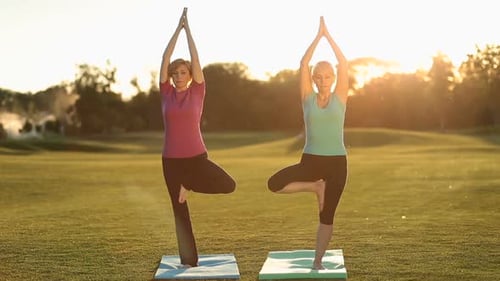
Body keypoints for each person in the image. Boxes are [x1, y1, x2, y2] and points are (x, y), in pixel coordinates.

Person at [267, 16, 349, 270]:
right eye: (319, 77)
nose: (323, 80)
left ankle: (317, 261)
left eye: (327, 76)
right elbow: (303, 63)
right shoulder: (307, 99)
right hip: (311, 161)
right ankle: (315, 187)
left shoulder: (341, 98)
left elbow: (344, 63)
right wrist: (318, 36)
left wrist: (329, 36)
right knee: (274, 184)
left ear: (333, 78)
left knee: (327, 215)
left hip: (337, 163)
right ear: (313, 79)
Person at [159, 8, 236, 267]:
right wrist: (176, 30)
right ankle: (189, 262)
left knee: (228, 184)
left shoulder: (198, 92)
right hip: (170, 160)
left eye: (183, 72)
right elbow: (164, 57)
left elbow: (195, 58)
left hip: (196, 157)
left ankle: (189, 185)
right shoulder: (166, 93)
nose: (178, 76)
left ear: (191, 75)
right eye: (175, 73)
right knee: (179, 211)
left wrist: (188, 30)